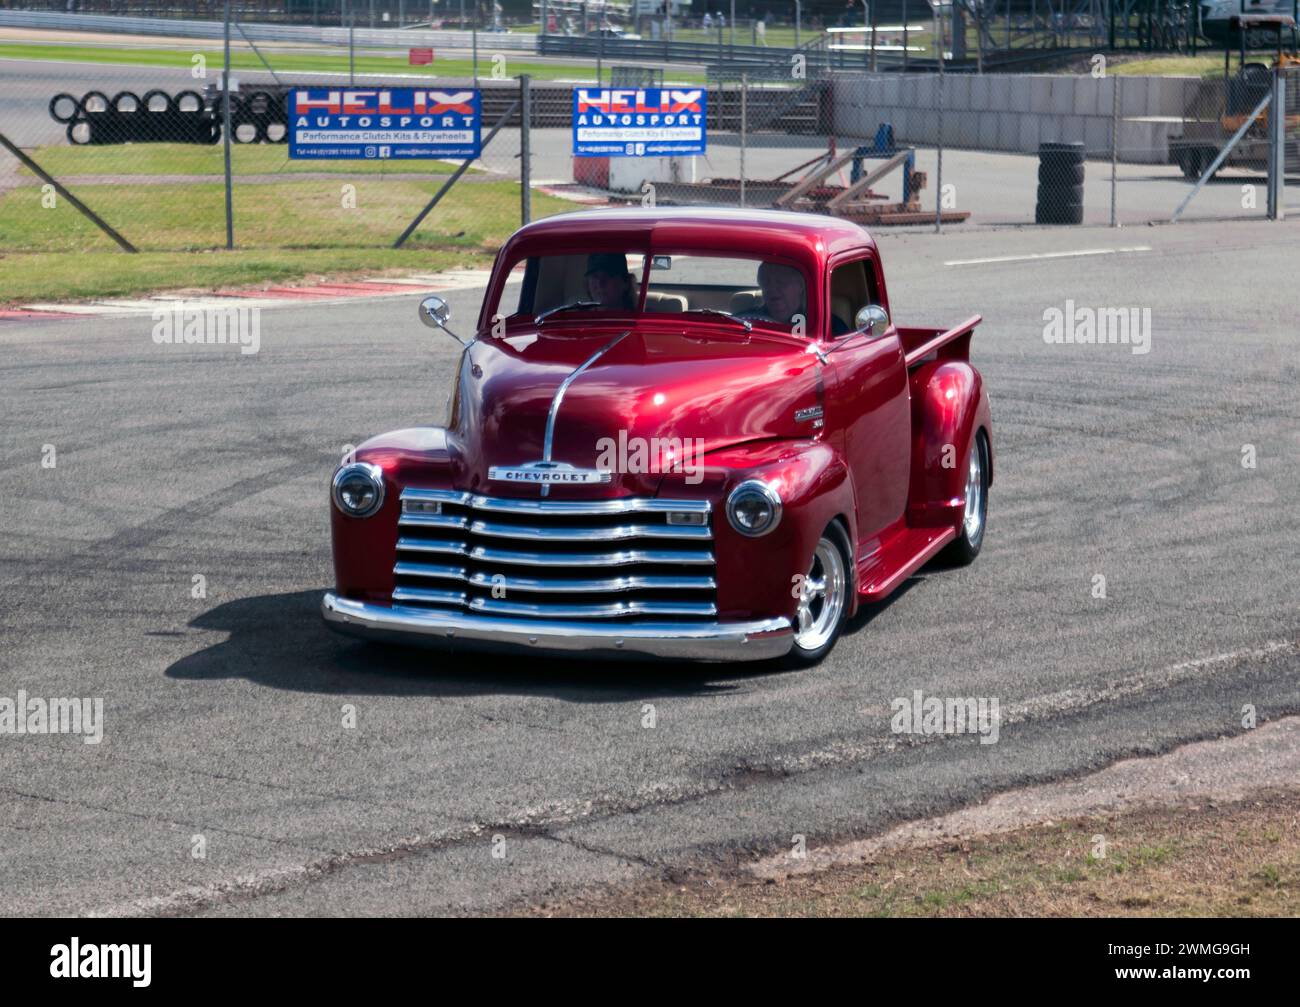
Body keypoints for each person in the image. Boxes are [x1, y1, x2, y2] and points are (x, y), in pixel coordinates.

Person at [740, 261, 849, 335]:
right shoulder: (746, 320)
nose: (772, 289)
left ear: (800, 285)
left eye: (781, 282)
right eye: (766, 282)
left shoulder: (828, 325)